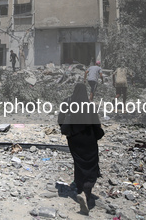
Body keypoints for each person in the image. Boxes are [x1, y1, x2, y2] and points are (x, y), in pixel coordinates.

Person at [58, 82, 104, 215]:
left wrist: (70, 131)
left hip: (74, 140)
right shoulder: (89, 105)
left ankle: (79, 188)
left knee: (79, 164)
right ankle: (87, 191)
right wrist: (99, 134)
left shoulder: (67, 102)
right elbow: (96, 125)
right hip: (89, 140)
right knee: (91, 165)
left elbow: (60, 120)